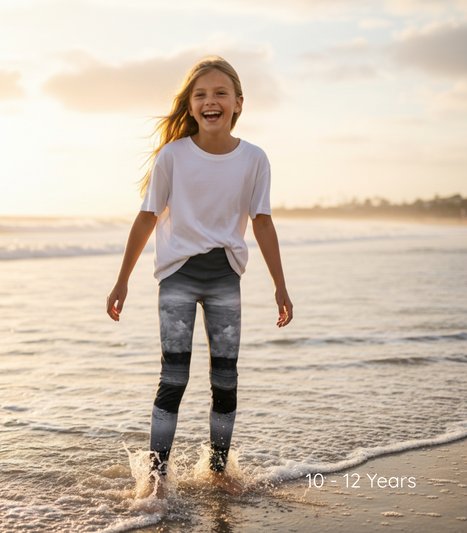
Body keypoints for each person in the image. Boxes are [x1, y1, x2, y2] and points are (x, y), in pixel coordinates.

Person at [106, 55, 293, 496]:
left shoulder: (254, 159)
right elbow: (147, 216)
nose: (211, 101)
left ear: (238, 104)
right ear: (190, 106)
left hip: (225, 276)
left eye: (220, 93)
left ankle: (218, 471)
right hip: (177, 276)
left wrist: (280, 286)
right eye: (201, 94)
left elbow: (262, 221)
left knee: (225, 379)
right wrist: (122, 279)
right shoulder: (172, 156)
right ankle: (155, 479)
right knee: (174, 376)